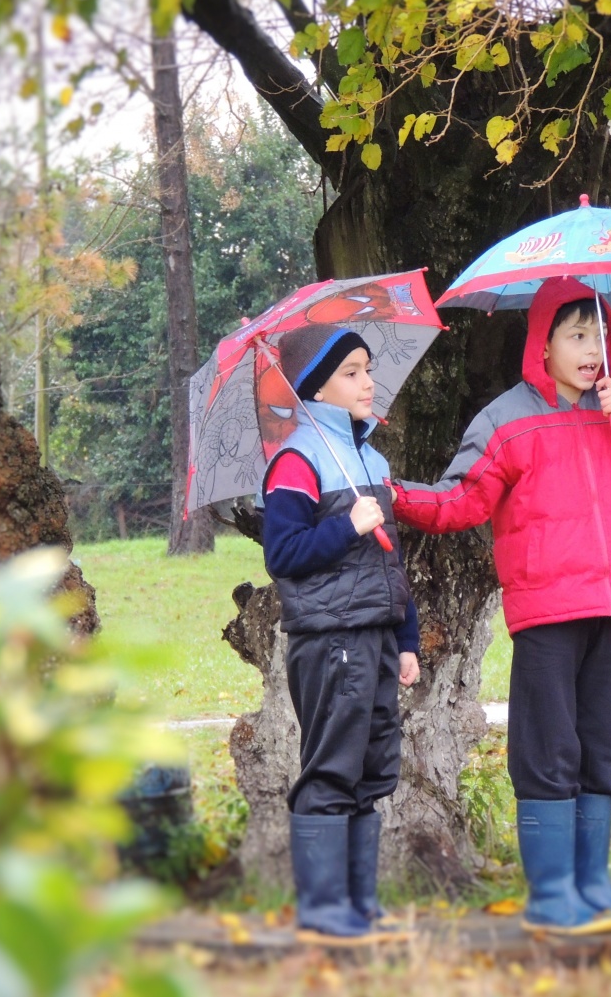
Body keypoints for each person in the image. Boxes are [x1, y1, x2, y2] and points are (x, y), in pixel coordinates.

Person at [391, 276, 611, 936]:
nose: (592, 349)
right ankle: (553, 894)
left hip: (609, 607)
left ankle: (593, 885)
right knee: (547, 749)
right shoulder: (506, 420)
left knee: (601, 750)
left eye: (599, 335)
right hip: (547, 611)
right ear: (543, 343)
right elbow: (459, 501)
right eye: (577, 334)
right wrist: (390, 495)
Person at [260, 323, 421, 946]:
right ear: (315, 388)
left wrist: (405, 640)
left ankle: (359, 903)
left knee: (371, 770)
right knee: (331, 769)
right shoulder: (296, 461)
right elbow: (284, 552)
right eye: (351, 371)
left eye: (368, 368)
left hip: (376, 639)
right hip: (330, 641)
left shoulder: (369, 459)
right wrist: (349, 525)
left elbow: (391, 563)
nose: (367, 381)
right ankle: (324, 908)